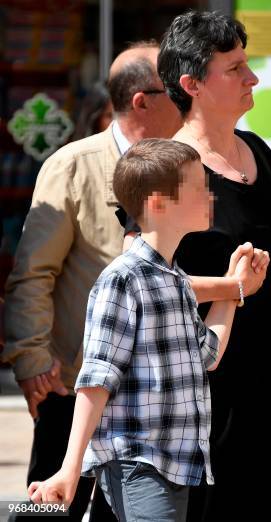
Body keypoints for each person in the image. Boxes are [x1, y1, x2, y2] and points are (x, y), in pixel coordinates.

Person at [123, 10, 271, 521]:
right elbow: (142, 281)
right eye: (235, 68)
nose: (252, 77)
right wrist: (232, 287)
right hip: (212, 388)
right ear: (192, 83)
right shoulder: (168, 166)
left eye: (248, 64)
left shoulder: (258, 150)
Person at [28, 138, 267, 521]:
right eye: (197, 187)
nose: (210, 195)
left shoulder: (172, 279)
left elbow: (207, 355)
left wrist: (235, 287)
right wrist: (70, 469)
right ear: (158, 204)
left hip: (174, 465)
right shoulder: (122, 279)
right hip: (137, 464)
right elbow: (97, 378)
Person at [2, 41, 182, 521]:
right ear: (142, 100)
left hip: (154, 394)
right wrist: (33, 359)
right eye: (176, 90)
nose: (189, 99)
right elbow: (34, 273)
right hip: (74, 385)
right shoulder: (74, 165)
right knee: (46, 511)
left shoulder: (186, 165)